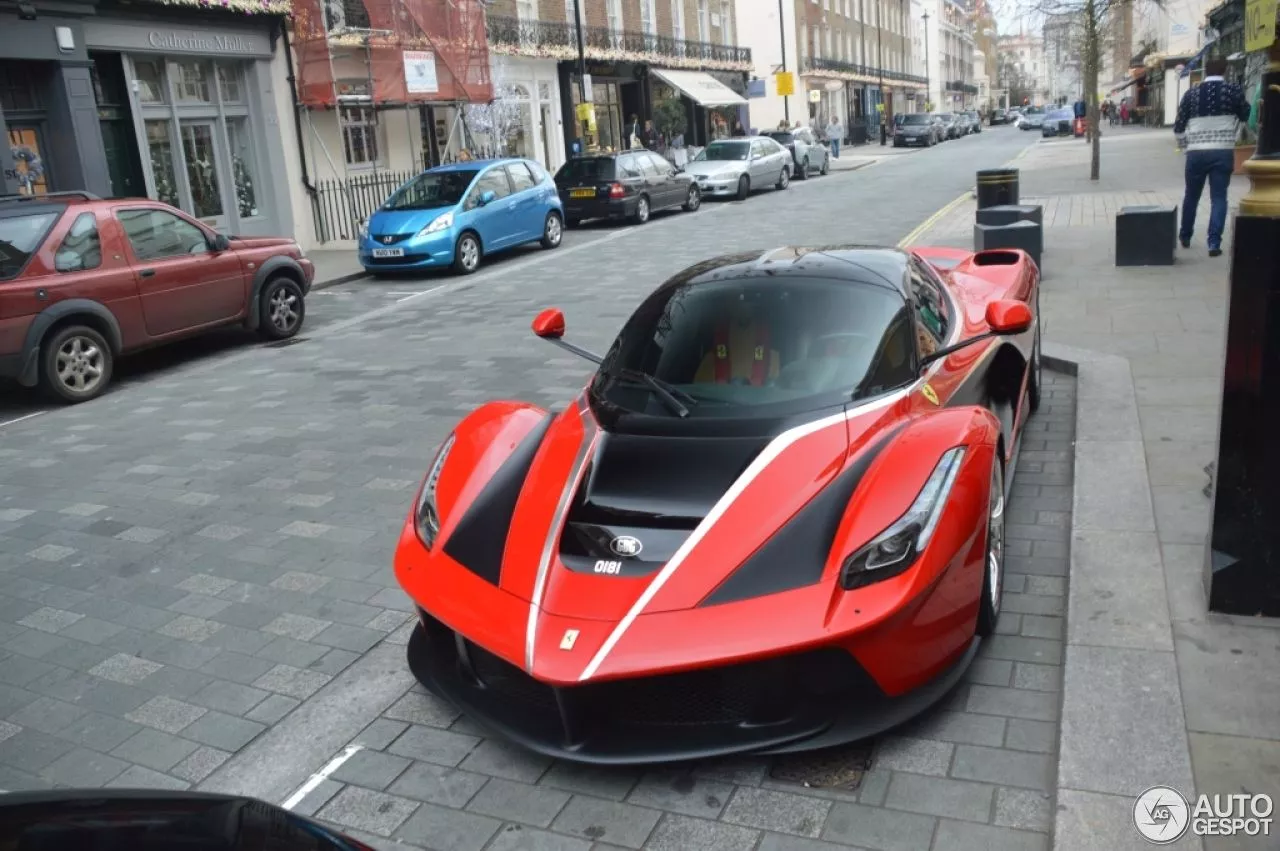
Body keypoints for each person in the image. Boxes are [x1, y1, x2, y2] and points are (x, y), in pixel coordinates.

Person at [1173, 57, 1251, 256]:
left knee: (1192, 195)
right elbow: (1246, 114)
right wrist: (1233, 131)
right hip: (1222, 151)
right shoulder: (1233, 91)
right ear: (1224, 70)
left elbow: (1179, 126)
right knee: (1219, 197)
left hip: (1196, 152)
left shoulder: (1191, 94)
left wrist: (1185, 147)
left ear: (1205, 71)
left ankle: (1185, 235)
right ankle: (1214, 242)